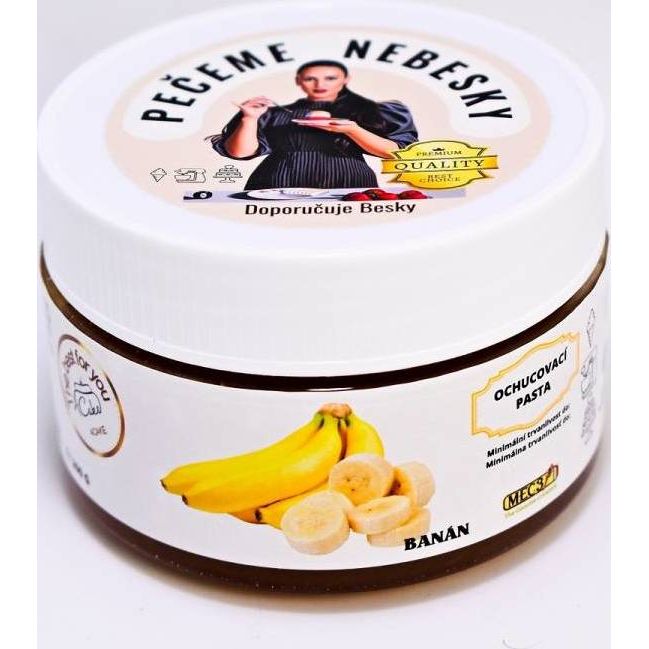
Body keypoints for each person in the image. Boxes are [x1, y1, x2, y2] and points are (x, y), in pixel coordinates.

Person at [209, 60, 418, 190]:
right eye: (310, 79)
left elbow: (399, 154)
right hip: (276, 185)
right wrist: (249, 118)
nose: (320, 85)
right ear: (299, 81)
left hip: (350, 184)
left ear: (345, 79)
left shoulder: (374, 111)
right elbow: (239, 153)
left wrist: (352, 130)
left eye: (330, 78)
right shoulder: (272, 113)